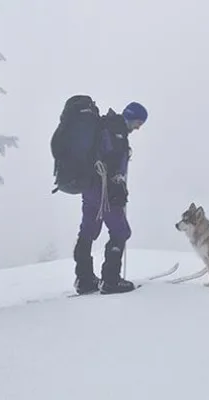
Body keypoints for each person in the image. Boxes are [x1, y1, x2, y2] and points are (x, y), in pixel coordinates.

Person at [73, 101, 148, 295]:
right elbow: (112, 163)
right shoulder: (116, 132)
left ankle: (84, 279)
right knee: (120, 231)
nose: (138, 127)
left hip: (90, 188)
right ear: (131, 117)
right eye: (139, 122)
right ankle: (111, 280)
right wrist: (118, 187)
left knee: (88, 230)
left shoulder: (105, 127)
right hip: (105, 191)